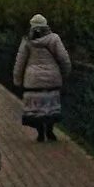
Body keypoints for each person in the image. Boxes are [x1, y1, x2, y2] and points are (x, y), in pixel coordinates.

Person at [14, 14, 72, 142]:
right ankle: (50, 131)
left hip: (33, 79)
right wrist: (65, 72)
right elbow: (63, 58)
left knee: (37, 108)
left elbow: (20, 61)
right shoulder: (54, 39)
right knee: (50, 105)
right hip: (52, 78)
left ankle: (40, 132)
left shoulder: (27, 40)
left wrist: (17, 79)